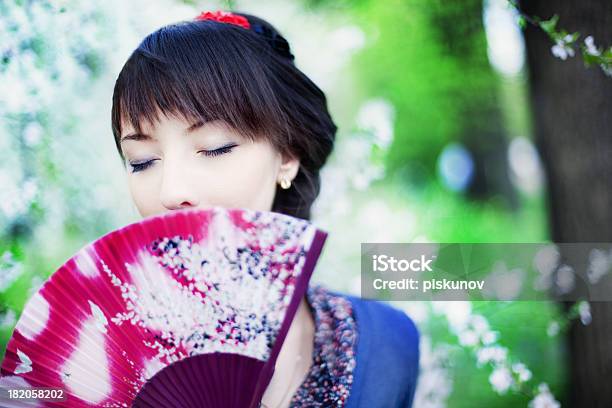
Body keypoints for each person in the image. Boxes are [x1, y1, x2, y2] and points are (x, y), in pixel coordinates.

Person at [111, 10, 420, 407]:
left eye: (215, 148)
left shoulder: (385, 345)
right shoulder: (91, 354)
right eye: (142, 161)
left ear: (286, 156)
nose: (172, 191)